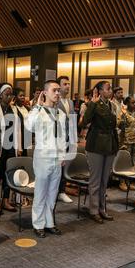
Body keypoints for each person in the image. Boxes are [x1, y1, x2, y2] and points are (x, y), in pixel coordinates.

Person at [27, 80, 72, 238]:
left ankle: (49, 222)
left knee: (52, 193)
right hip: (43, 158)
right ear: (45, 93)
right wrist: (37, 106)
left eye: (59, 90)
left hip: (57, 159)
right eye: (54, 90)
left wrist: (62, 155)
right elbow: (29, 126)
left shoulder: (60, 114)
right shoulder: (38, 111)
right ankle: (38, 224)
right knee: (41, 193)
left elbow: (62, 137)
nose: (58, 93)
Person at [82, 81, 118, 223]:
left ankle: (102, 209)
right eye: (108, 89)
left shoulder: (111, 105)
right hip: (96, 145)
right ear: (100, 91)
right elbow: (85, 122)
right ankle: (93, 210)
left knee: (104, 180)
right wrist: (92, 103)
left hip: (109, 145)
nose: (111, 91)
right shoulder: (93, 104)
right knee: (95, 181)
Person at [0, 83, 19, 214]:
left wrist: (19, 146)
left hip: (11, 146)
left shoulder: (14, 109)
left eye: (11, 93)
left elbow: (18, 130)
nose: (9, 95)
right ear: (0, 95)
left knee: (9, 173)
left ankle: (6, 200)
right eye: (6, 93)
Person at [56, 76, 77, 204]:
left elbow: (73, 120)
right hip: (58, 138)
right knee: (57, 166)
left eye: (69, 84)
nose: (68, 86)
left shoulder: (70, 102)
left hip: (68, 138)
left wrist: (74, 138)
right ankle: (55, 191)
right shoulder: (55, 101)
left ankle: (62, 191)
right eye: (65, 84)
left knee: (65, 166)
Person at [118, 96, 135, 191]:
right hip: (125, 141)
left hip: (134, 141)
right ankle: (122, 182)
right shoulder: (123, 114)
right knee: (124, 162)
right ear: (127, 104)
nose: (134, 104)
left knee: (132, 162)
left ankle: (129, 181)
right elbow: (120, 126)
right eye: (132, 103)